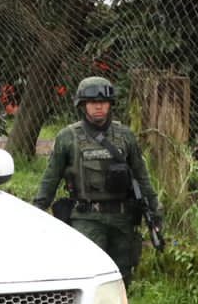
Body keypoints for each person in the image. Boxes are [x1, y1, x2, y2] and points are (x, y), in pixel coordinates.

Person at [31, 76, 162, 285]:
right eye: (93, 102)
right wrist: (37, 211)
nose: (98, 106)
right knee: (91, 275)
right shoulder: (68, 137)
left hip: (122, 219)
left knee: (122, 277)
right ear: (83, 105)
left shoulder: (125, 136)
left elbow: (141, 175)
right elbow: (51, 177)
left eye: (103, 102)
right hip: (87, 218)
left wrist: (154, 211)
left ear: (110, 104)